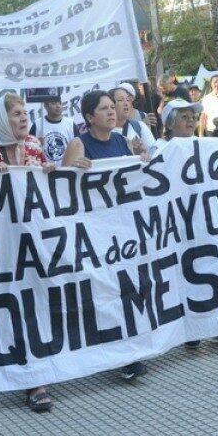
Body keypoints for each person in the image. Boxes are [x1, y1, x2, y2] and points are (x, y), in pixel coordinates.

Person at [0, 93, 56, 412]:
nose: (23, 118)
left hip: (35, 245)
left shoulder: (34, 145)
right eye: (16, 114)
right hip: (3, 250)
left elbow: (44, 194)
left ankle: (39, 374)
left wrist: (50, 171)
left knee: (37, 304)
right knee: (13, 305)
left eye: (24, 113)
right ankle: (28, 377)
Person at [62, 90, 150, 380]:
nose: (112, 112)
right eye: (104, 109)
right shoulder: (79, 144)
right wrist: (74, 169)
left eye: (113, 107)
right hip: (94, 234)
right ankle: (119, 353)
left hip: (123, 230)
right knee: (107, 292)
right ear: (89, 117)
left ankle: (131, 350)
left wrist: (141, 157)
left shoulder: (122, 142)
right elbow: (60, 189)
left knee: (129, 288)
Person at [154, 99, 218, 345]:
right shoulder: (159, 148)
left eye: (193, 117)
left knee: (210, 268)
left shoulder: (204, 147)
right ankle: (190, 329)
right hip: (174, 223)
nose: (191, 121)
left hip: (201, 221)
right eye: (184, 117)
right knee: (181, 273)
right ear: (170, 124)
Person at [29, 94, 79, 166]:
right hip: (43, 171)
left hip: (66, 170)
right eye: (53, 103)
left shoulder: (70, 124)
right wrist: (37, 144)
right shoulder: (37, 124)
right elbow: (28, 148)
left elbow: (78, 148)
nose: (58, 106)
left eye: (60, 103)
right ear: (45, 106)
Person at [112, 83, 157, 155]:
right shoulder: (103, 131)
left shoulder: (139, 126)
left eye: (128, 99)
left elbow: (155, 153)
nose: (126, 103)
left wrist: (143, 152)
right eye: (120, 100)